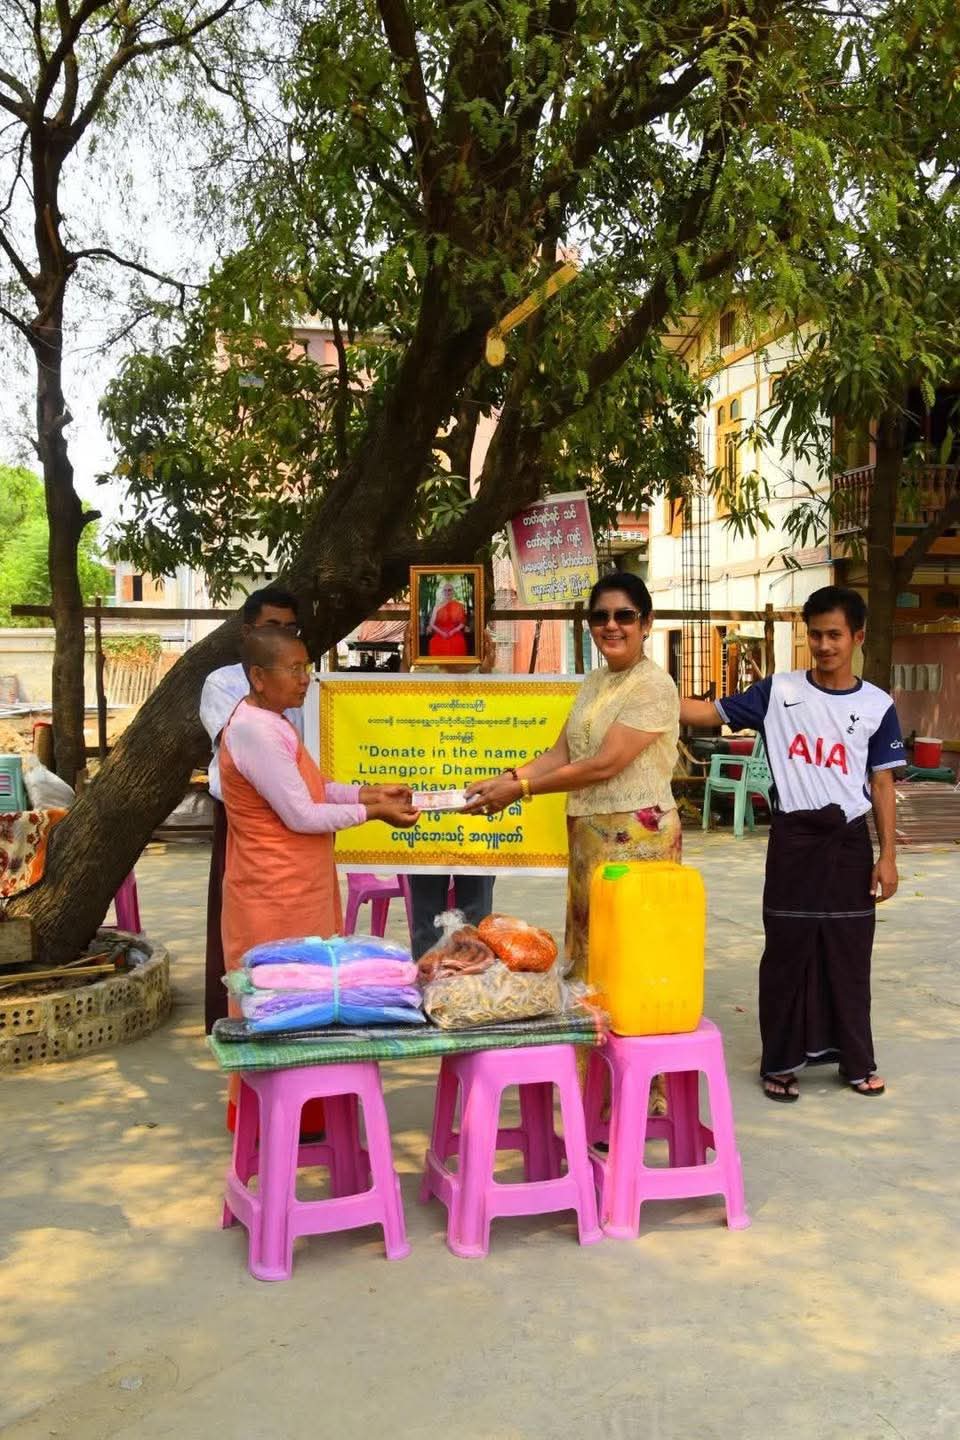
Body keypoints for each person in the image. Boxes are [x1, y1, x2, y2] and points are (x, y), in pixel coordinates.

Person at [680, 585, 901, 1102]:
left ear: (857, 637)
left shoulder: (877, 705)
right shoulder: (777, 692)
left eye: (835, 635)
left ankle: (855, 1061)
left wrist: (888, 857)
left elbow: (883, 784)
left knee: (849, 954)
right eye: (816, 635)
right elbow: (707, 714)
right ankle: (780, 1061)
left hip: (849, 845)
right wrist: (642, 688)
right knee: (786, 952)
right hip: (793, 841)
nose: (824, 645)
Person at [219, 626, 418, 1124]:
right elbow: (302, 815)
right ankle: (277, 1120)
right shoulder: (253, 729)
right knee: (279, 1003)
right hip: (272, 892)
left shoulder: (275, 722)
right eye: (295, 669)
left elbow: (318, 787)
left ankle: (308, 1114)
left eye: (306, 667)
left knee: (312, 1000)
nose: (305, 679)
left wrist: (370, 792)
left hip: (299, 885)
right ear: (259, 677)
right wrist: (373, 815)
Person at [464, 570, 681, 987]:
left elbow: (603, 765)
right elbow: (560, 754)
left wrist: (520, 790)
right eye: (600, 617)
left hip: (637, 839)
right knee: (588, 949)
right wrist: (504, 778)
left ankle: (632, 1048)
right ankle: (592, 1048)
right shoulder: (596, 682)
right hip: (588, 835)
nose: (611, 626)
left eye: (625, 616)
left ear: (647, 624)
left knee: (630, 955)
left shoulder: (654, 685)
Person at [199, 585, 303, 1033]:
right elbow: (248, 752)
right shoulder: (224, 684)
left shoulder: (301, 684)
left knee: (294, 919)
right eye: (271, 627)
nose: (282, 635)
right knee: (244, 918)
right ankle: (239, 1017)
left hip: (297, 810)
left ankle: (298, 1012)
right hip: (249, 813)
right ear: (248, 634)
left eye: (290, 628)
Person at [426, 581, 469, 657]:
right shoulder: (437, 607)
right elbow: (432, 624)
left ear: (453, 592)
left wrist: (452, 632)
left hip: (455, 633)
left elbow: (462, 623)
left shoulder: (459, 606)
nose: (447, 592)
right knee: (433, 642)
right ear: (442, 592)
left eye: (449, 590)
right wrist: (442, 633)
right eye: (445, 590)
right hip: (440, 633)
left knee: (459, 642)